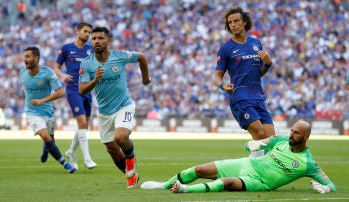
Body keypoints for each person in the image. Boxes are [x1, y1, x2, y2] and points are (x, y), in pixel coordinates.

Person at [141, 120, 337, 194]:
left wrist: (326, 188)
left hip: (258, 181)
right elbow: (253, 145)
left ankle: (184, 190)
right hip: (247, 164)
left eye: (296, 133)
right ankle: (163, 185)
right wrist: (251, 144)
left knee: (224, 182)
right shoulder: (281, 140)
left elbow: (333, 186)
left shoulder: (308, 163)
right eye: (292, 130)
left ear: (306, 137)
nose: (292, 135)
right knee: (199, 169)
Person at [78, 27, 151, 188]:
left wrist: (145, 79)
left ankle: (131, 161)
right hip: (104, 112)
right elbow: (82, 90)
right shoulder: (87, 63)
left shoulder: (120, 56)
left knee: (120, 137)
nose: (96, 41)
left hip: (123, 105)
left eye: (100, 38)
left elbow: (142, 57)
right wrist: (95, 80)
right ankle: (131, 174)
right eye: (94, 38)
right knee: (111, 149)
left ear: (108, 41)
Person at [214, 7, 276, 157]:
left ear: (245, 23)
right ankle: (252, 174)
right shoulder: (226, 48)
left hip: (258, 97)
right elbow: (217, 77)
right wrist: (223, 86)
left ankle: (256, 173)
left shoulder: (256, 43)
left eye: (236, 21)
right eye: (230, 23)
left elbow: (258, 73)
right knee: (260, 134)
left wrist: (267, 64)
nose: (233, 25)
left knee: (272, 142)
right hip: (240, 98)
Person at [20, 46, 76, 173]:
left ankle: (46, 148)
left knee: (50, 140)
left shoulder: (48, 73)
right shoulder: (22, 73)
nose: (25, 59)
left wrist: (41, 101)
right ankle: (66, 165)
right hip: (31, 112)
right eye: (24, 56)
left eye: (28, 56)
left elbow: (60, 92)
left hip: (47, 111)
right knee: (45, 136)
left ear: (36, 58)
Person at [54, 22, 97, 170]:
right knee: (83, 124)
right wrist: (62, 75)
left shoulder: (90, 50)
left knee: (84, 125)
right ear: (77, 31)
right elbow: (56, 67)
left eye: (89, 32)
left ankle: (71, 152)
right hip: (73, 89)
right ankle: (87, 158)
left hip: (87, 90)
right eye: (85, 31)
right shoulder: (67, 48)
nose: (88, 34)